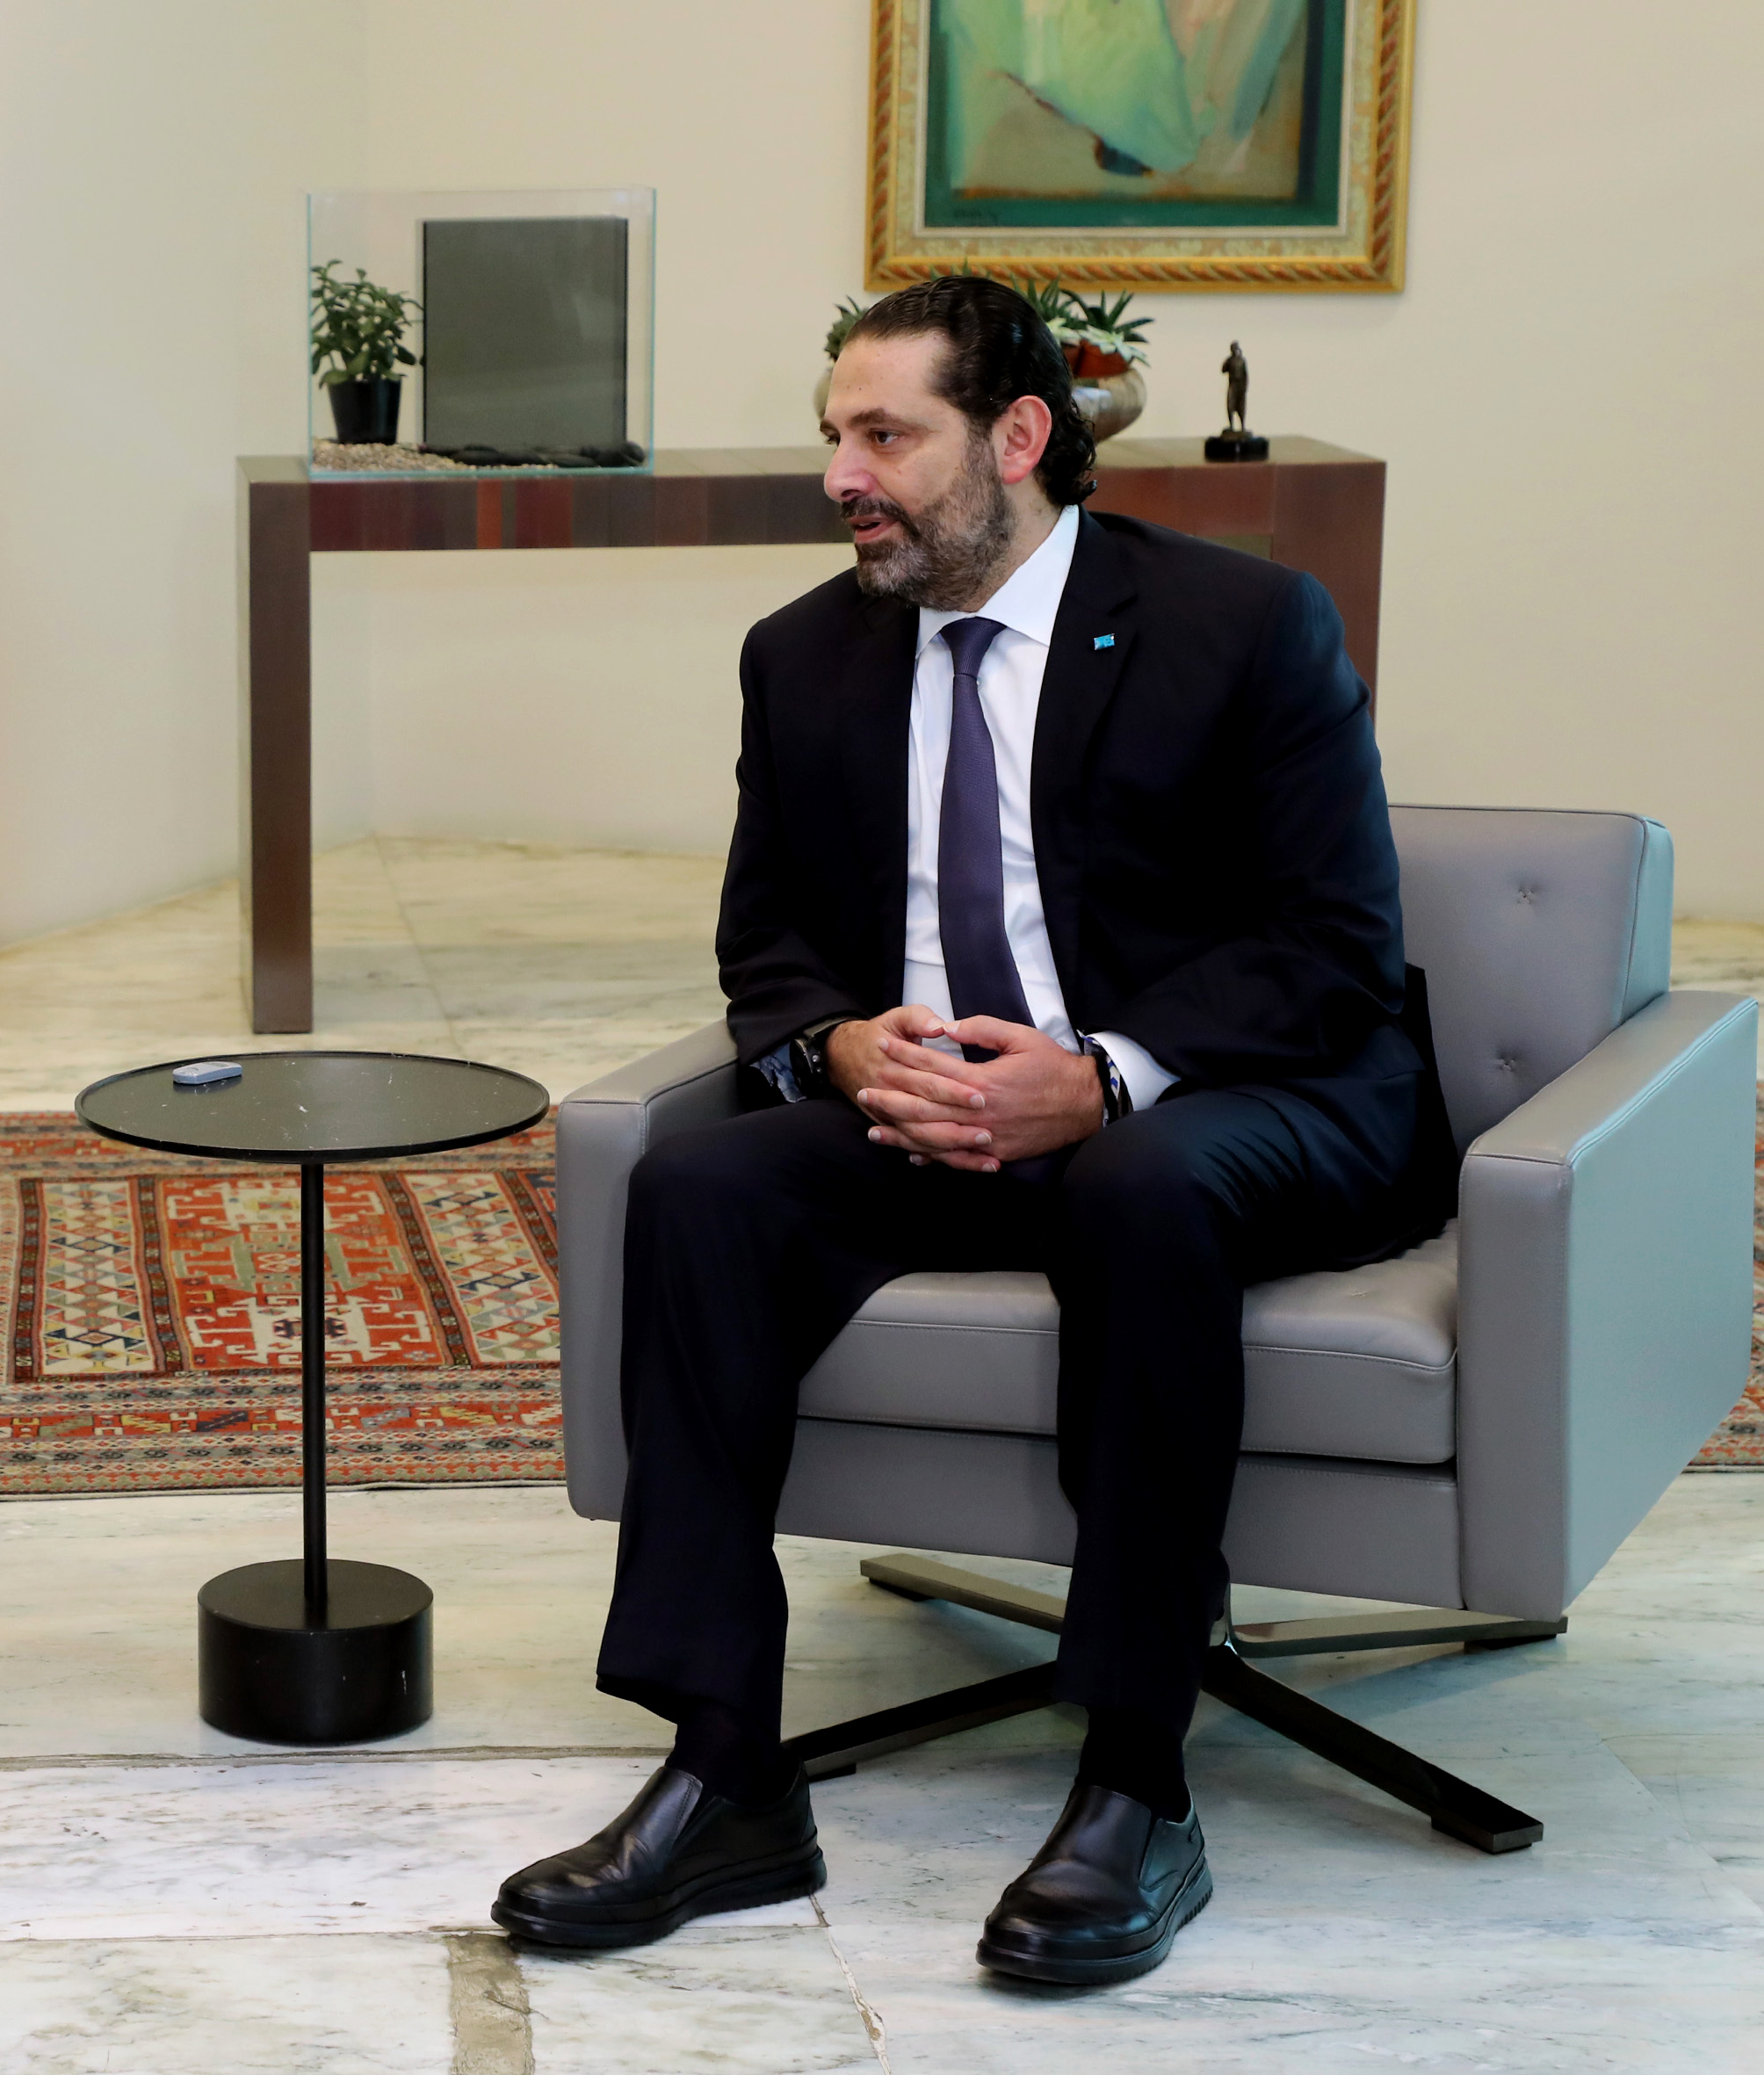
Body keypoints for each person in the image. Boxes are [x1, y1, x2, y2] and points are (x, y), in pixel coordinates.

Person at [489, 278, 1450, 1985]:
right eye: (832, 437)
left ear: (1015, 437)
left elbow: (1335, 947)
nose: (840, 477)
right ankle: (724, 1767)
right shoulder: (802, 655)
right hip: (938, 1114)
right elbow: (767, 946)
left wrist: (1104, 1072)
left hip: (1230, 1099)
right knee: (698, 1185)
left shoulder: (1240, 621)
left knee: (1141, 1187)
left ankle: (1135, 1778)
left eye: (884, 435)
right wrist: (845, 1046)